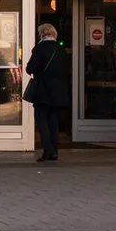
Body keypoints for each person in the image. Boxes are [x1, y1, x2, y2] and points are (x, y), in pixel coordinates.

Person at [24, 23, 68, 163]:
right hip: (58, 92)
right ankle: (54, 151)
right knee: (53, 122)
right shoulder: (61, 50)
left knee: (42, 121)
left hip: (43, 91)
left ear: (42, 34)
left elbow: (30, 68)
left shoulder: (39, 49)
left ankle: (47, 151)